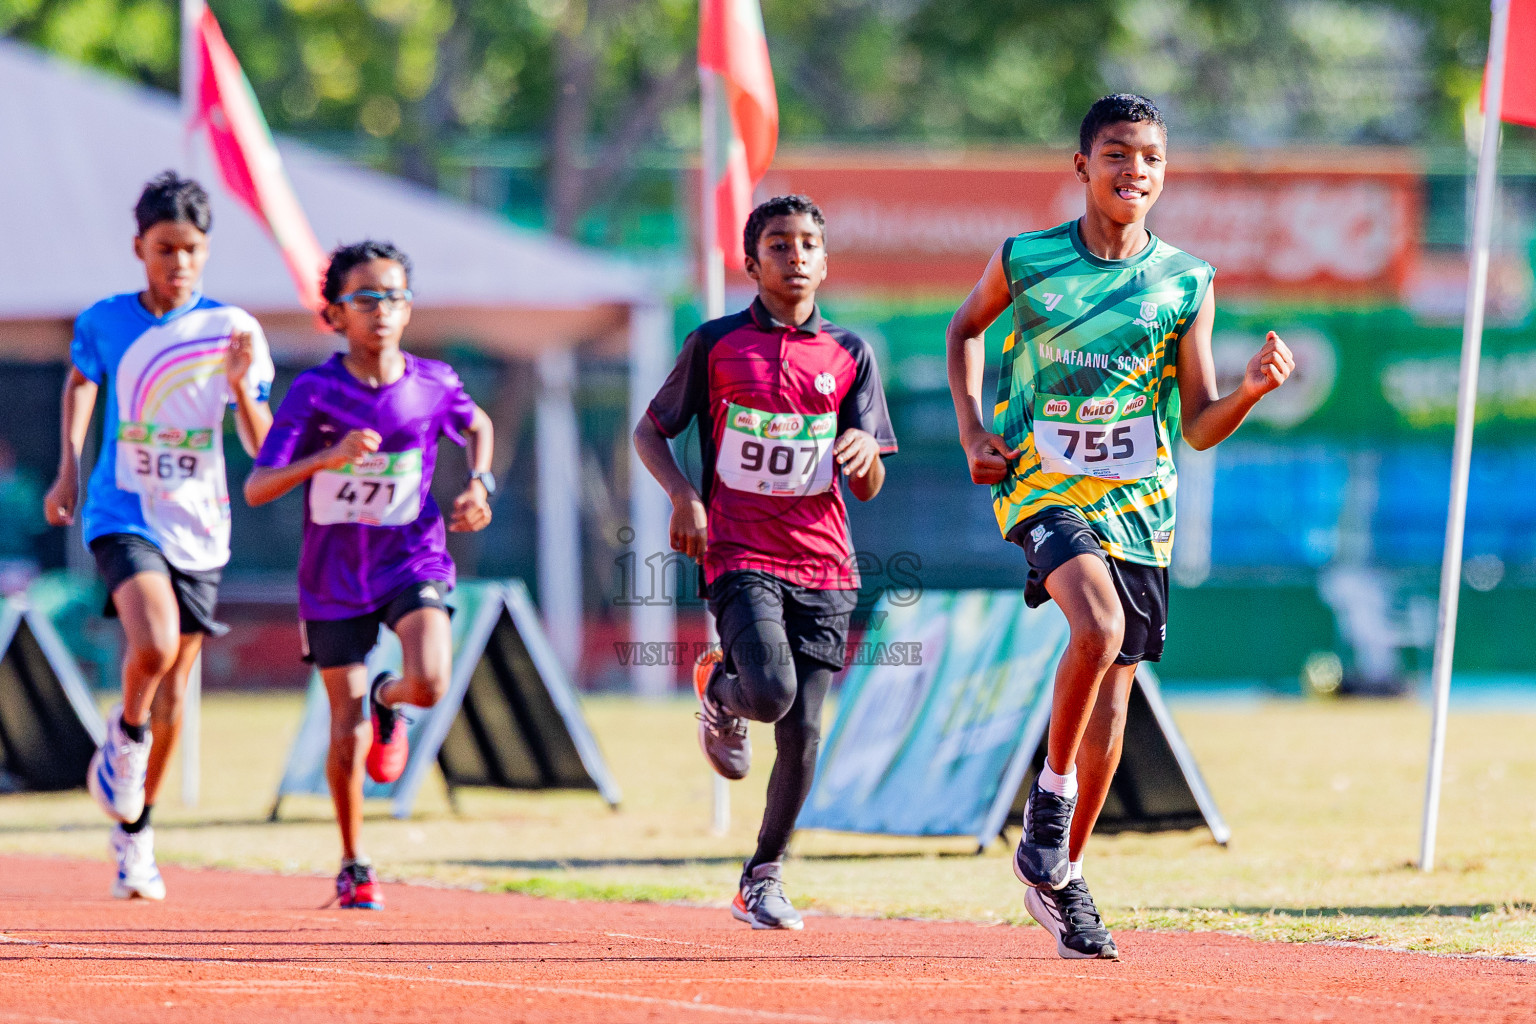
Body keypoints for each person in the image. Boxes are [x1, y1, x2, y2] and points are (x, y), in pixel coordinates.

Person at [945, 94, 1294, 960]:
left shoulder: (1188, 280)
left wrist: (1250, 390)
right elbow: (964, 331)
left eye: (1151, 158)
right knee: (1094, 627)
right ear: (1081, 166)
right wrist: (972, 429)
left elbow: (1199, 422)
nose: (1135, 171)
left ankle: (1058, 876)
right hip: (1042, 486)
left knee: (1115, 691)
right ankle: (1048, 803)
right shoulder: (1027, 261)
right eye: (1116, 155)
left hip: (1141, 504)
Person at [634, 195, 897, 929]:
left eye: (809, 242)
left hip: (826, 561)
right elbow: (651, 432)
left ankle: (763, 875)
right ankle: (722, 691)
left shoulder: (851, 353)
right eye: (778, 244)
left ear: (825, 258)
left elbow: (871, 481)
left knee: (804, 730)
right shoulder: (715, 344)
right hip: (739, 550)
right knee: (772, 692)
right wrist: (685, 497)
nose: (796, 255)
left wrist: (865, 451)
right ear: (752, 263)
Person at [43, 171, 275, 900]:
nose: (179, 262)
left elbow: (264, 446)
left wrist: (240, 385)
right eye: (165, 248)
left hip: (200, 526)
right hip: (122, 511)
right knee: (153, 644)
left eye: (192, 249)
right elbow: (82, 380)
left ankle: (135, 836)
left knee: (177, 694)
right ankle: (125, 734)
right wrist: (68, 468)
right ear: (139, 247)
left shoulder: (234, 330)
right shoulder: (106, 321)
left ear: (207, 252)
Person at [244, 240, 494, 910]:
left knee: (432, 681)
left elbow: (478, 425)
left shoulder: (434, 383)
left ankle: (395, 698)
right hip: (332, 575)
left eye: (393, 296)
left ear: (408, 307)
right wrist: (326, 456)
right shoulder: (317, 391)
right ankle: (354, 861)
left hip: (411, 556)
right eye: (365, 298)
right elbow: (260, 485)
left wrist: (479, 482)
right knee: (346, 726)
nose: (381, 309)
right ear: (335, 313)